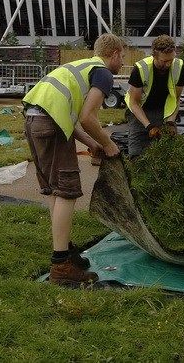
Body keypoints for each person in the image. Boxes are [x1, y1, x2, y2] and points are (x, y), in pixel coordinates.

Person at [23, 33, 125, 286]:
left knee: (55, 191)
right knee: (67, 191)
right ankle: (61, 267)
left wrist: (92, 144)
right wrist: (109, 145)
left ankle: (65, 250)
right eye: (122, 56)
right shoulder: (103, 73)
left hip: (34, 121)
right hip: (50, 124)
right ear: (113, 54)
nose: (122, 62)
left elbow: (72, 117)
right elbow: (89, 117)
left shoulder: (78, 67)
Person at [124, 35, 184, 157]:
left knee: (167, 150)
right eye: (164, 61)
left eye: (171, 59)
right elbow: (134, 103)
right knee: (137, 152)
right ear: (154, 56)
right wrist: (148, 126)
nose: (168, 64)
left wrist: (171, 122)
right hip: (140, 109)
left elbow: (176, 99)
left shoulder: (180, 68)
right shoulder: (140, 69)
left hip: (163, 110)